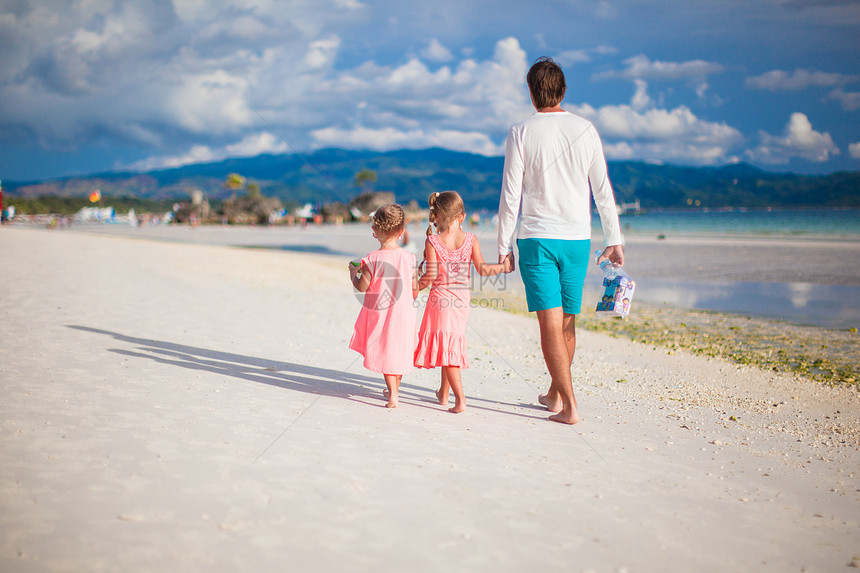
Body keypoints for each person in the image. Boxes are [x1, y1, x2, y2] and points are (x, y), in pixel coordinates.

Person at [497, 56, 625, 425]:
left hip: (537, 239)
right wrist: (613, 238)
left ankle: (569, 406)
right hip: (577, 240)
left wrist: (504, 246)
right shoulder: (586, 129)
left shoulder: (522, 131)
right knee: (568, 321)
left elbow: (511, 196)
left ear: (532, 93)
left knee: (550, 323)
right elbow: (602, 189)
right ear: (563, 90)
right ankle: (555, 394)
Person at [414, 191, 507, 413]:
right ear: (462, 216)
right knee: (450, 344)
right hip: (462, 301)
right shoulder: (471, 239)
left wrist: (414, 287)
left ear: (437, 215)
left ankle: (460, 400)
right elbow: (483, 270)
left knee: (448, 349)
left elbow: (430, 277)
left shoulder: (433, 241)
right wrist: (503, 267)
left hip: (440, 300)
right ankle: (443, 394)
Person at [349, 204, 419, 409]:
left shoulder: (372, 258)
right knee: (398, 350)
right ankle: (393, 389)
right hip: (405, 313)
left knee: (387, 351)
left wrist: (354, 273)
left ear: (375, 231)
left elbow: (362, 287)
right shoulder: (410, 257)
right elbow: (415, 290)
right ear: (402, 232)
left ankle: (394, 395)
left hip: (382, 314)